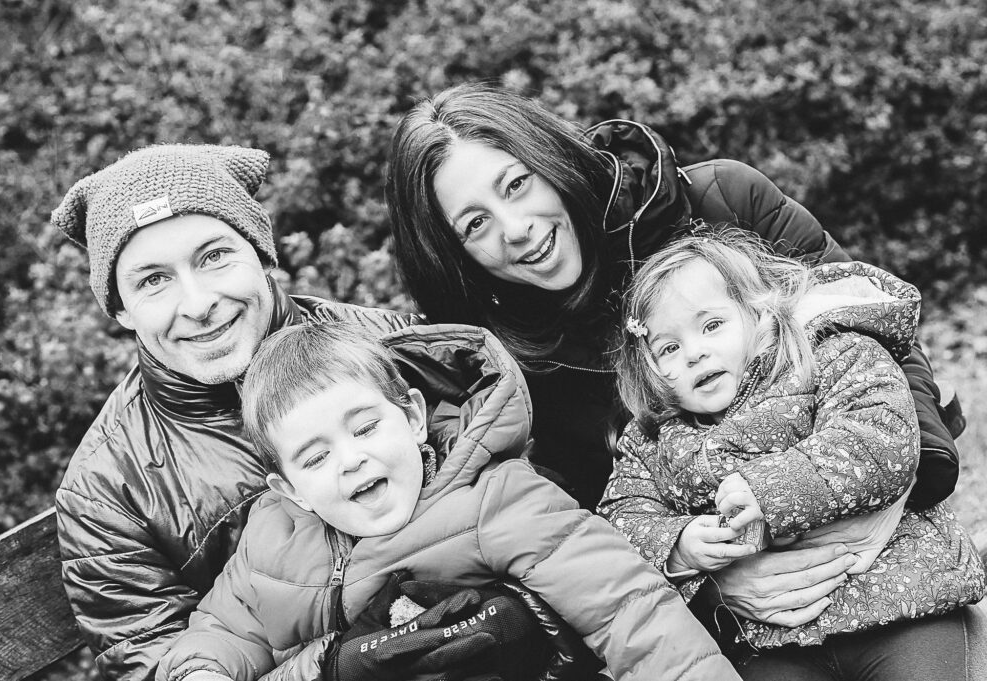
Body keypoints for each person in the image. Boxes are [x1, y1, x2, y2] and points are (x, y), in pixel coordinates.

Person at [384, 81, 962, 626]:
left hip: (891, 556)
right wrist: (706, 584)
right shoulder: (499, 368)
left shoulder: (724, 201)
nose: (514, 228)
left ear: (549, 158)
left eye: (516, 184)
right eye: (475, 223)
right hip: (729, 623)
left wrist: (900, 489)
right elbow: (576, 531)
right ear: (452, 253)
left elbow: (872, 324)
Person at [50, 144, 545, 681]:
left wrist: (526, 611)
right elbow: (156, 666)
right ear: (120, 309)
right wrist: (331, 667)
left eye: (214, 256)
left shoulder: (395, 350)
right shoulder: (106, 490)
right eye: (152, 280)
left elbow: (533, 504)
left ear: (262, 254)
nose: (196, 303)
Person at [156, 321, 743, 681]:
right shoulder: (272, 541)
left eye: (364, 428)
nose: (351, 460)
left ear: (412, 417)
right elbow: (226, 629)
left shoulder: (496, 499)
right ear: (288, 489)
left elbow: (628, 609)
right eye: (314, 458)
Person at [597, 228, 985, 679]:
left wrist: (770, 491)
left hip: (902, 600)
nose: (695, 354)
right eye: (669, 348)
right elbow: (621, 518)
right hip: (776, 638)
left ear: (758, 314)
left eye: (711, 325)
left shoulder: (825, 356)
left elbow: (879, 437)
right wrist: (678, 546)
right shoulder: (653, 440)